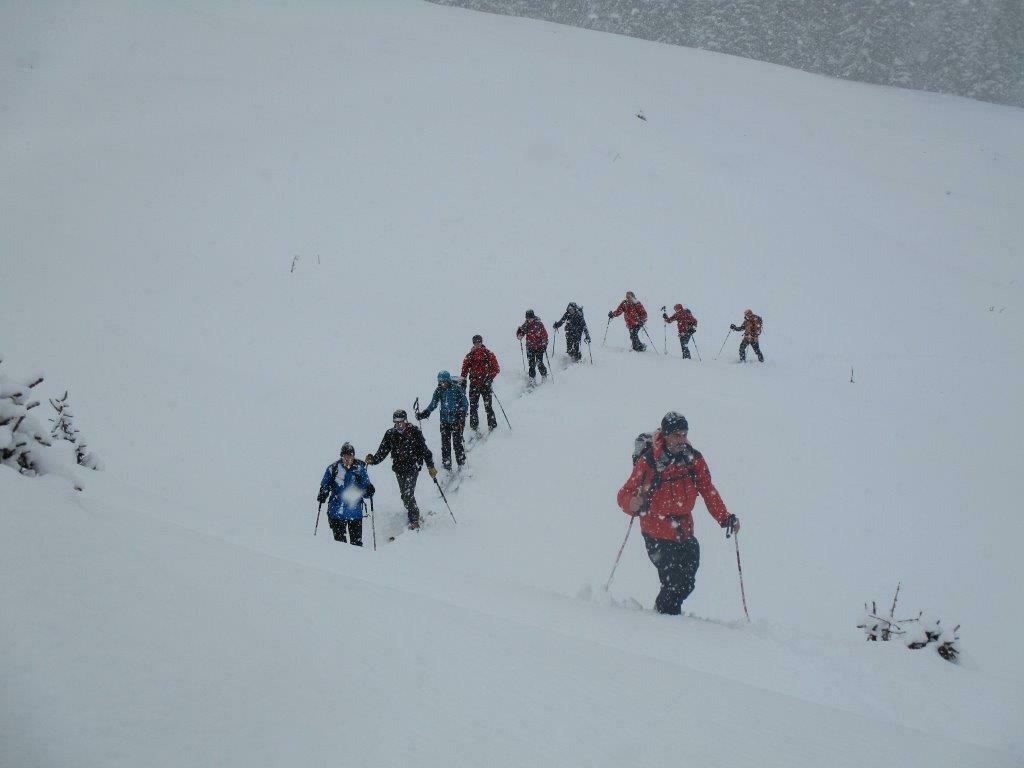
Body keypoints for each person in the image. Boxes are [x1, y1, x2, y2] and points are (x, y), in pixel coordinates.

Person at [616, 412, 739, 615]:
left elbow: (708, 490)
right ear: (665, 435)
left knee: (687, 582)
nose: (681, 439)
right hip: (656, 531)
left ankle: (664, 617)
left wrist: (725, 518)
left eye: (684, 434)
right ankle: (668, 621)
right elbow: (623, 494)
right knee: (674, 582)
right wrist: (632, 503)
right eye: (676, 435)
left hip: (684, 531)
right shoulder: (649, 462)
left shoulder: (693, 459)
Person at [365, 409, 437, 531]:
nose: (398, 424)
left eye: (401, 421)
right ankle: (412, 511)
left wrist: (431, 466)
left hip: (413, 467)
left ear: (405, 420)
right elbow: (383, 451)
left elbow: (425, 451)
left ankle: (414, 520)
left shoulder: (414, 432)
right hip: (399, 468)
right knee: (404, 496)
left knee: (408, 494)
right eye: (396, 422)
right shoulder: (390, 434)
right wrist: (374, 460)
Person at [317, 442, 374, 546]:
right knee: (340, 546)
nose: (347, 459)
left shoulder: (360, 469)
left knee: (357, 546)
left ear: (353, 456)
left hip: (355, 513)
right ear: (341, 456)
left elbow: (366, 491)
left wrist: (369, 490)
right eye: (345, 456)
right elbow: (325, 485)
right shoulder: (333, 468)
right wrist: (323, 493)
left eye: (350, 456)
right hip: (336, 512)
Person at [416, 371, 469, 471]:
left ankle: (461, 461)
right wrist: (425, 412)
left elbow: (465, 403)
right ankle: (447, 463)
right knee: (445, 444)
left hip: (456, 420)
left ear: (448, 380)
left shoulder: (457, 389)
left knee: (457, 443)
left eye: (444, 381)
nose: (442, 384)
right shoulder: (439, 391)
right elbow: (433, 404)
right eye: (440, 382)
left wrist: (462, 411)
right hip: (444, 421)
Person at [460, 334, 500, 432]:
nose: (477, 344)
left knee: (488, 406)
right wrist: (463, 382)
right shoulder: (470, 356)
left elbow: (496, 369)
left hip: (486, 384)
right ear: (473, 343)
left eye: (479, 342)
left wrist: (489, 378)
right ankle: (474, 427)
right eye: (475, 342)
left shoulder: (488, 354)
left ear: (481, 342)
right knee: (473, 407)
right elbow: (464, 371)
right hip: (474, 384)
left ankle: (492, 426)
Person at [516, 309, 549, 384]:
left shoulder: (539, 324)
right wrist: (519, 334)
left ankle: (544, 375)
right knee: (531, 364)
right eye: (528, 318)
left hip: (539, 347)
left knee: (539, 363)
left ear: (533, 317)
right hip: (530, 347)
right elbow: (520, 335)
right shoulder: (526, 325)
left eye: (530, 318)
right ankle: (532, 379)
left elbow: (545, 335)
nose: (529, 320)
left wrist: (544, 344)